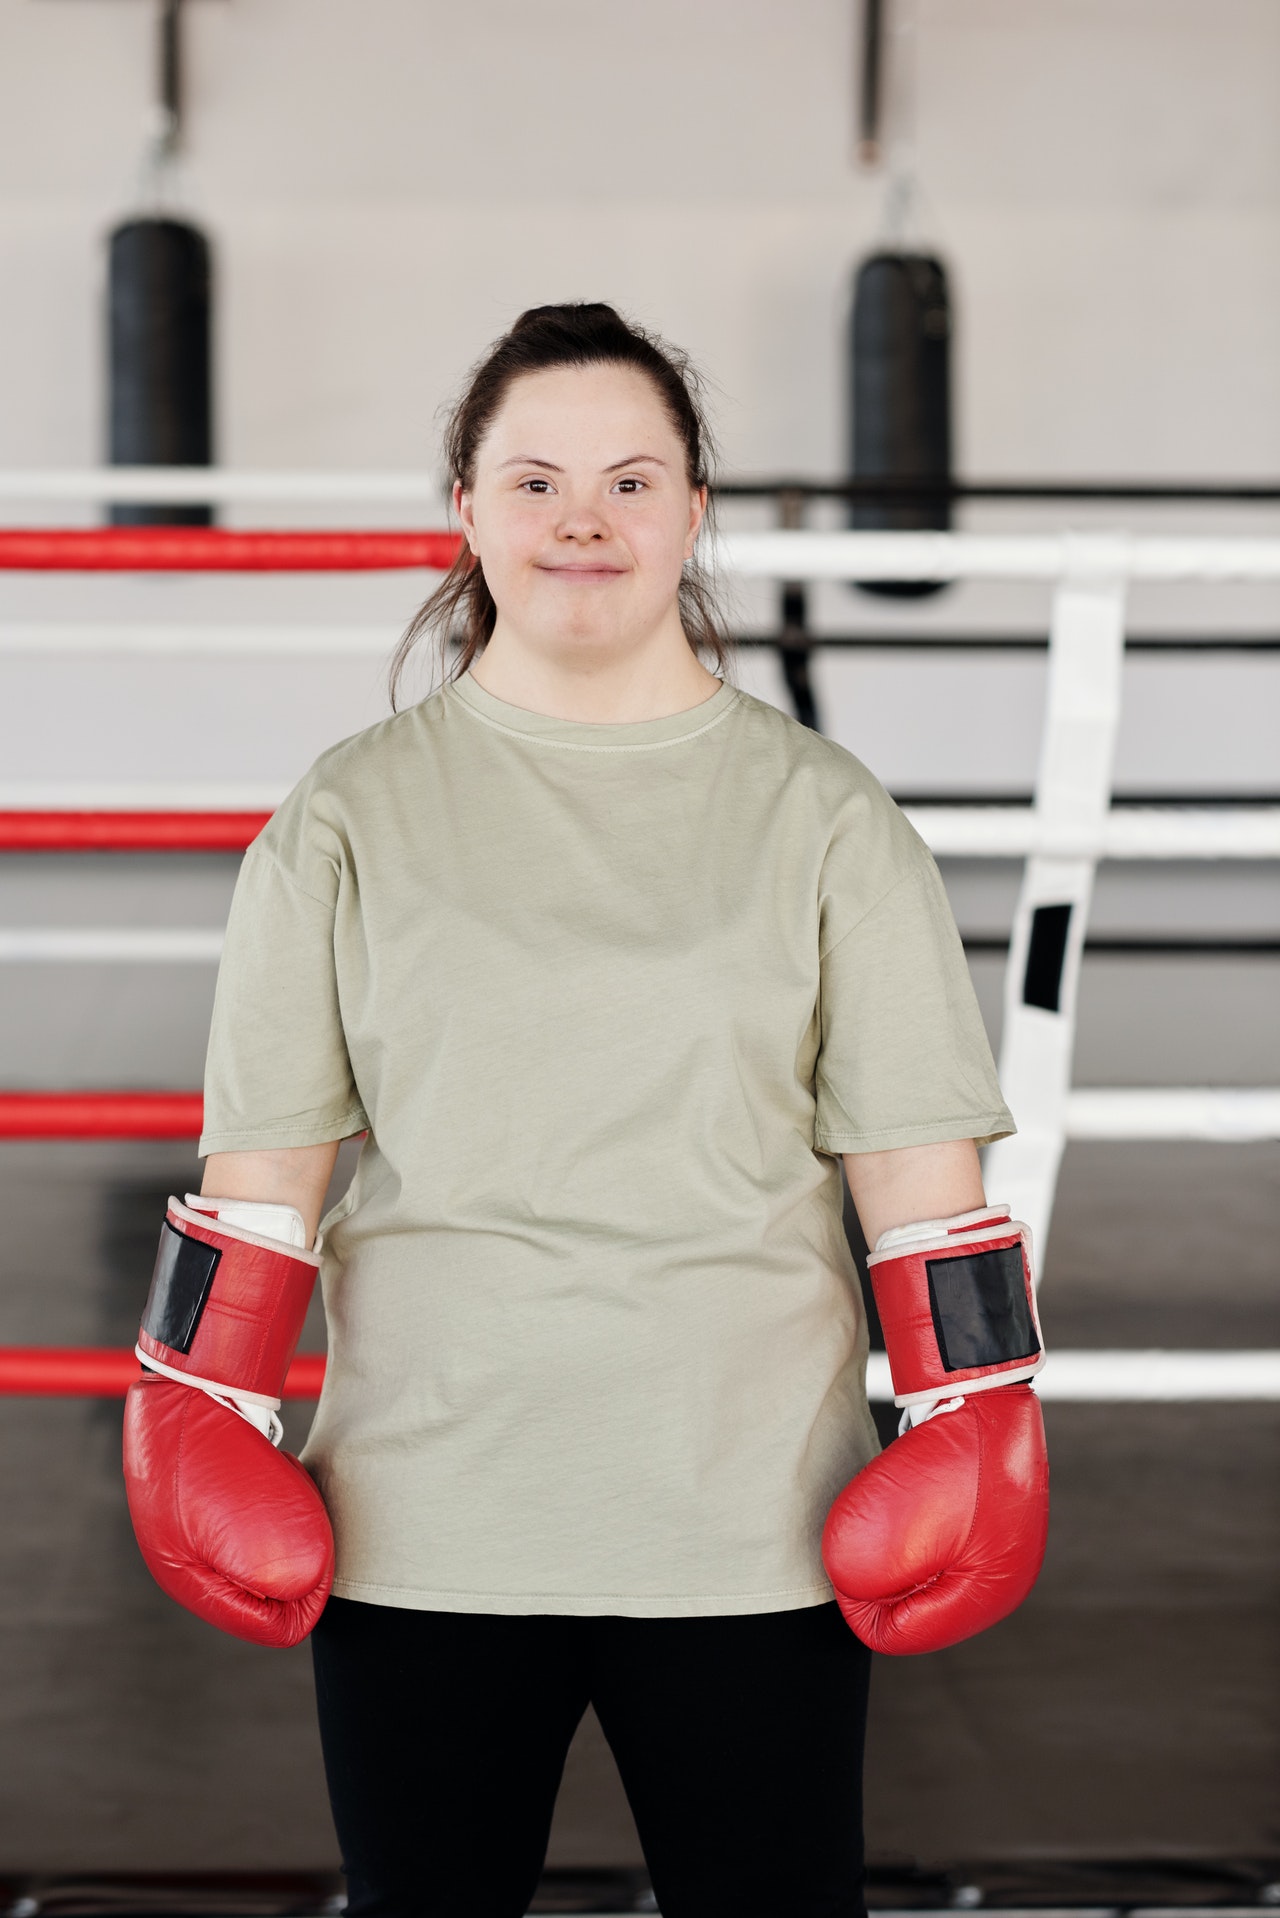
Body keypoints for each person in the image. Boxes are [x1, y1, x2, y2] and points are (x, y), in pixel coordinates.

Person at [123, 303, 1048, 1918]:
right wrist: (192, 1403)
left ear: (695, 514)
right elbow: (265, 1181)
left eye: (634, 479)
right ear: (466, 508)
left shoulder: (827, 817)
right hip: (424, 1529)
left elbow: (921, 1183)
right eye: (535, 476)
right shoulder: (345, 815)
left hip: (751, 1531)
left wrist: (980, 1412)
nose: (583, 519)